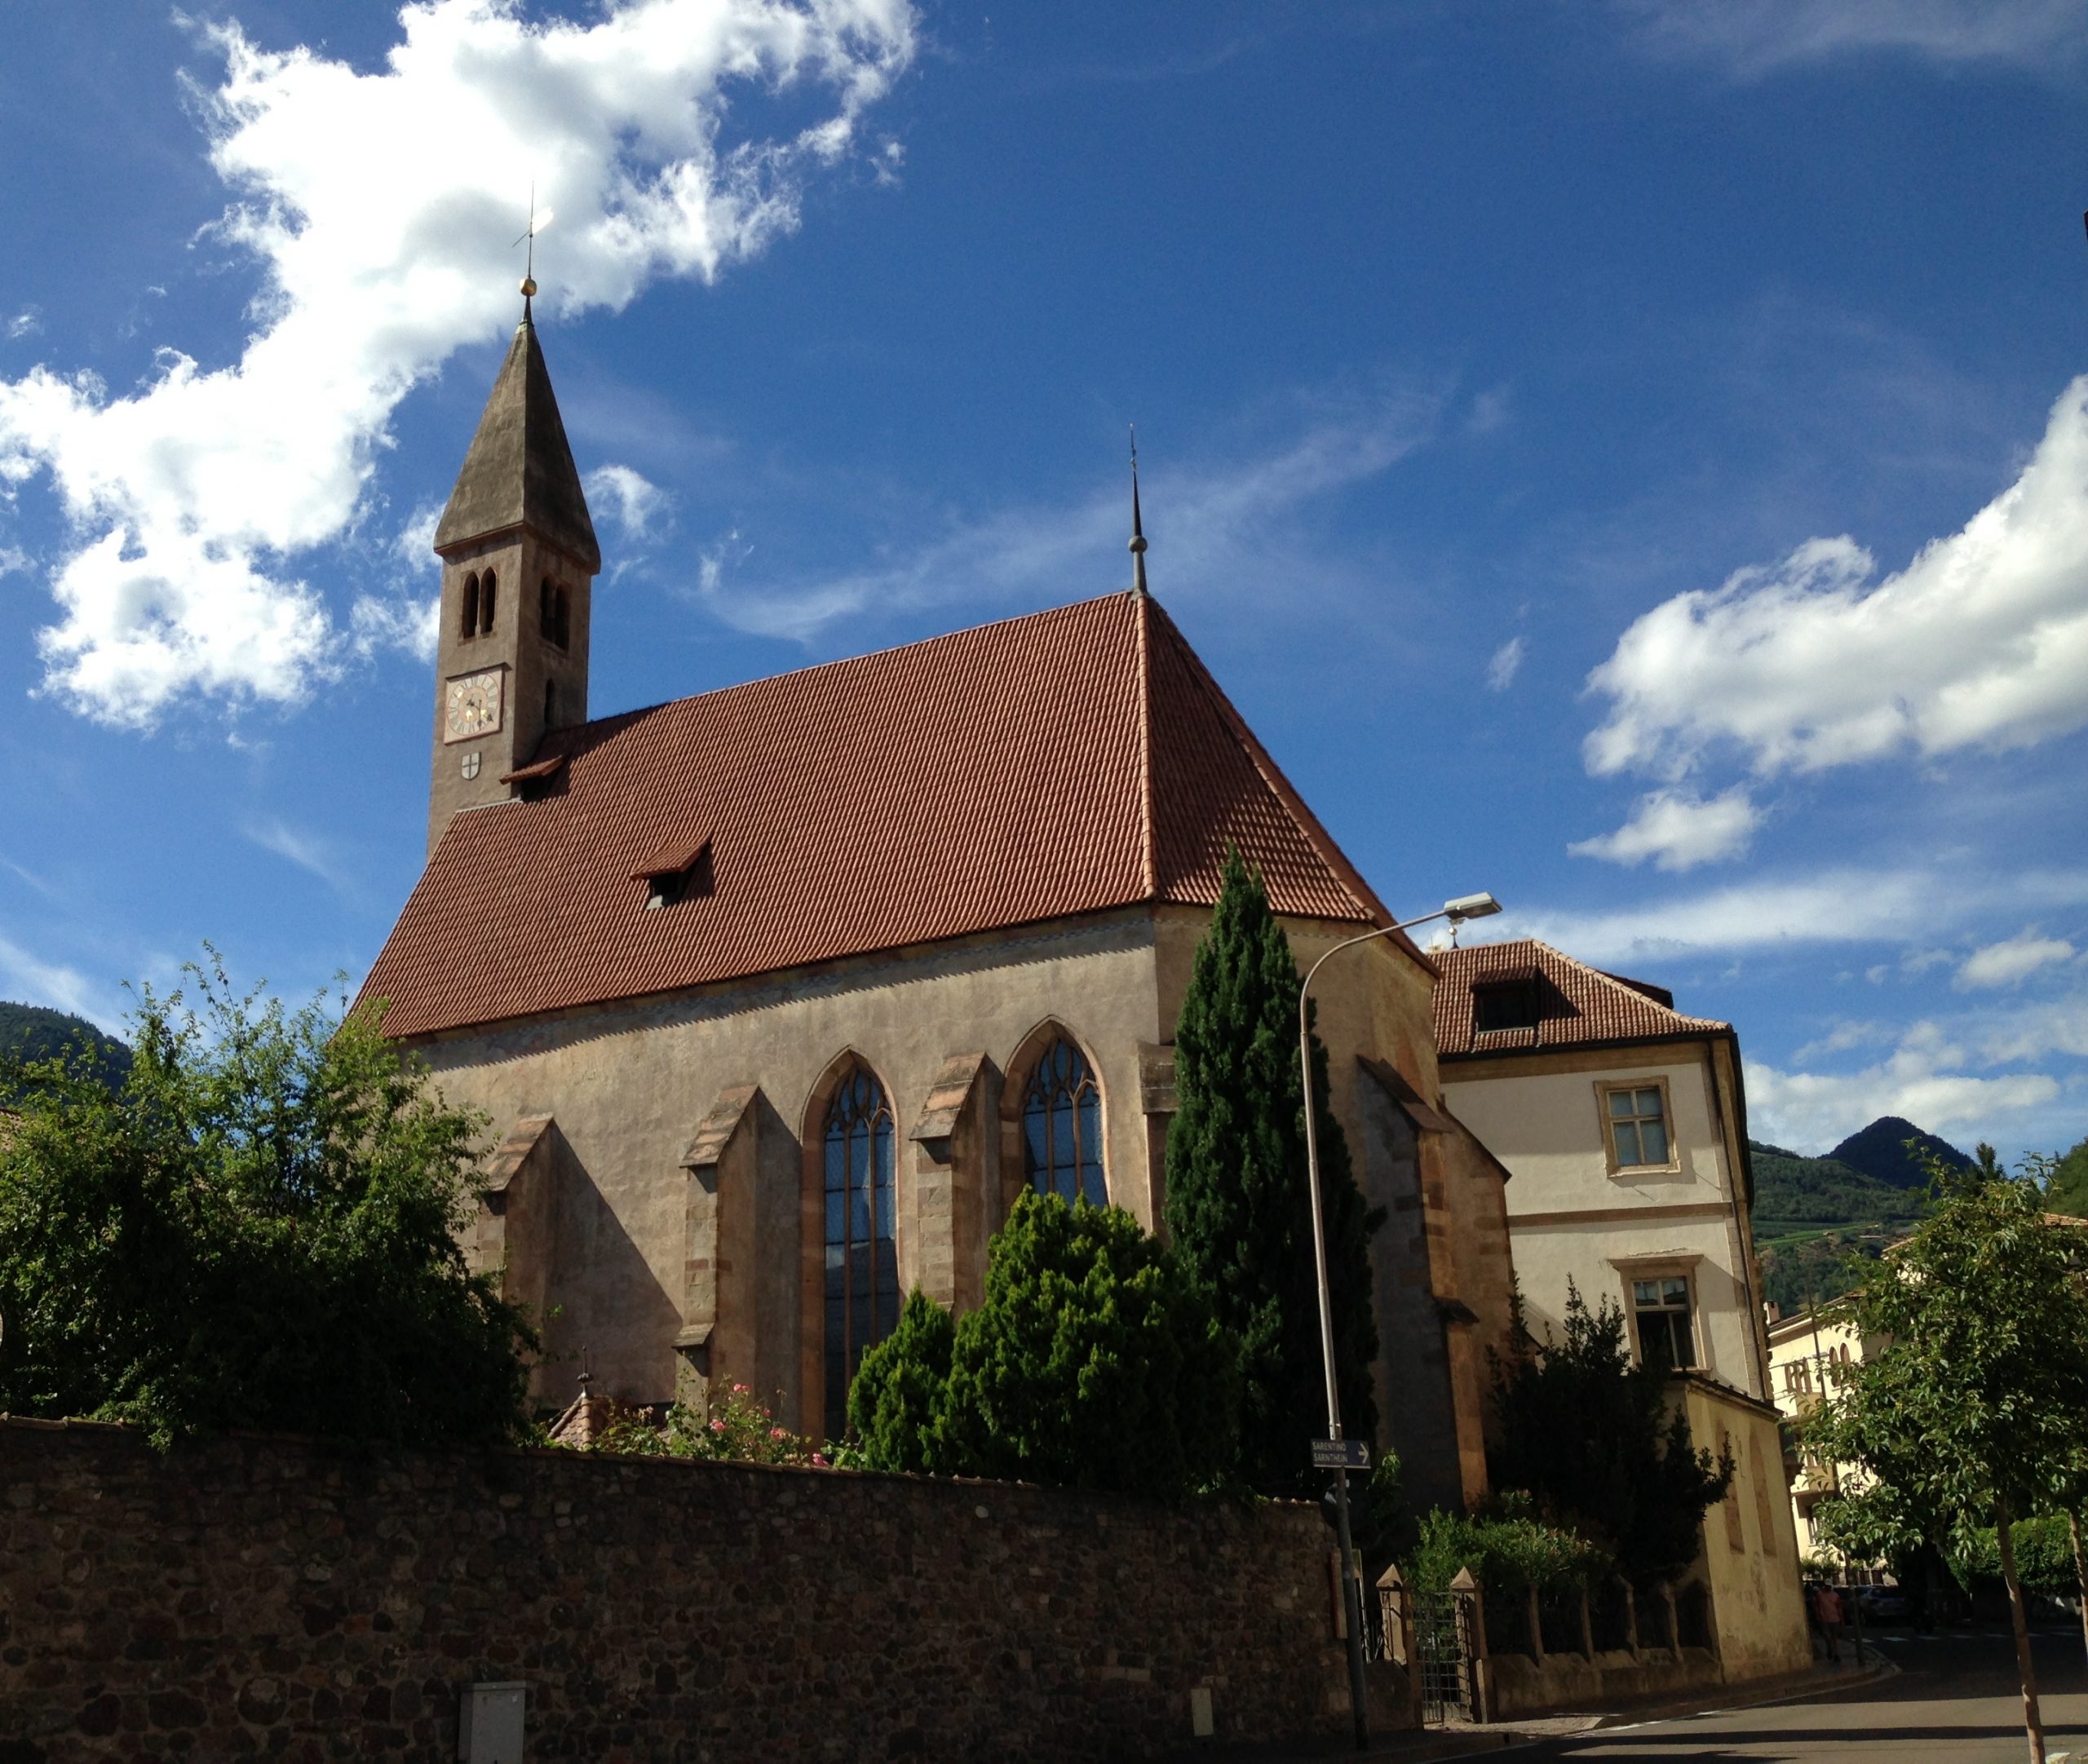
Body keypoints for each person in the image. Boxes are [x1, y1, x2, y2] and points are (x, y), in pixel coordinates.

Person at [1814, 1582, 1846, 1663]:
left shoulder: (1835, 1596)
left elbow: (1839, 1608)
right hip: (1824, 1619)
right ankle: (1830, 1649)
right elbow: (1817, 1606)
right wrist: (1818, 1616)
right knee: (1827, 1636)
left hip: (1835, 1619)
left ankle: (1836, 1654)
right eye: (1826, 1586)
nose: (1827, 1587)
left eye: (1829, 1586)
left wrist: (1842, 1620)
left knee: (1834, 1637)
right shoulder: (1820, 1596)